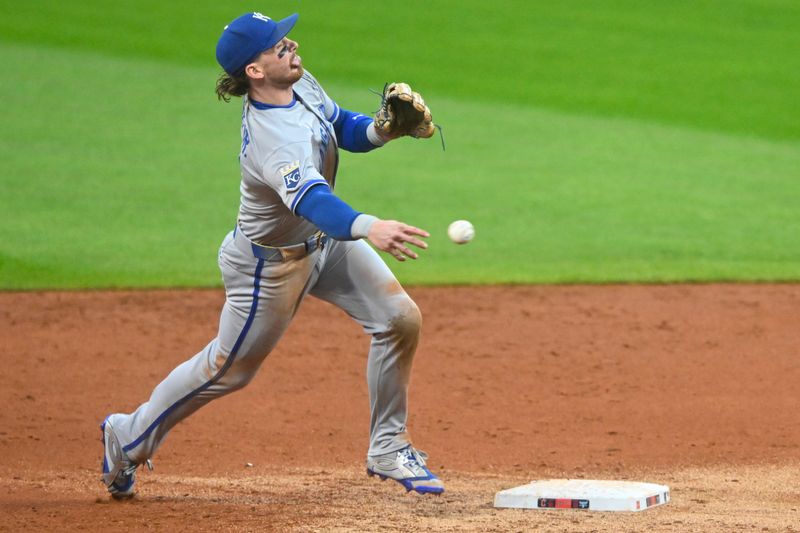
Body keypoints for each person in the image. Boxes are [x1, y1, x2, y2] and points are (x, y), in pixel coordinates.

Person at [100, 11, 444, 499]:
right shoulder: (272, 138)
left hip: (325, 243)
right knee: (228, 369)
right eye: (276, 44)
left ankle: (388, 445)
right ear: (255, 72)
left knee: (398, 319)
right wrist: (372, 226)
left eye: (285, 37)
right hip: (269, 266)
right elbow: (312, 200)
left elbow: (339, 124)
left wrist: (383, 131)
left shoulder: (299, 83)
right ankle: (126, 435)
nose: (291, 44)